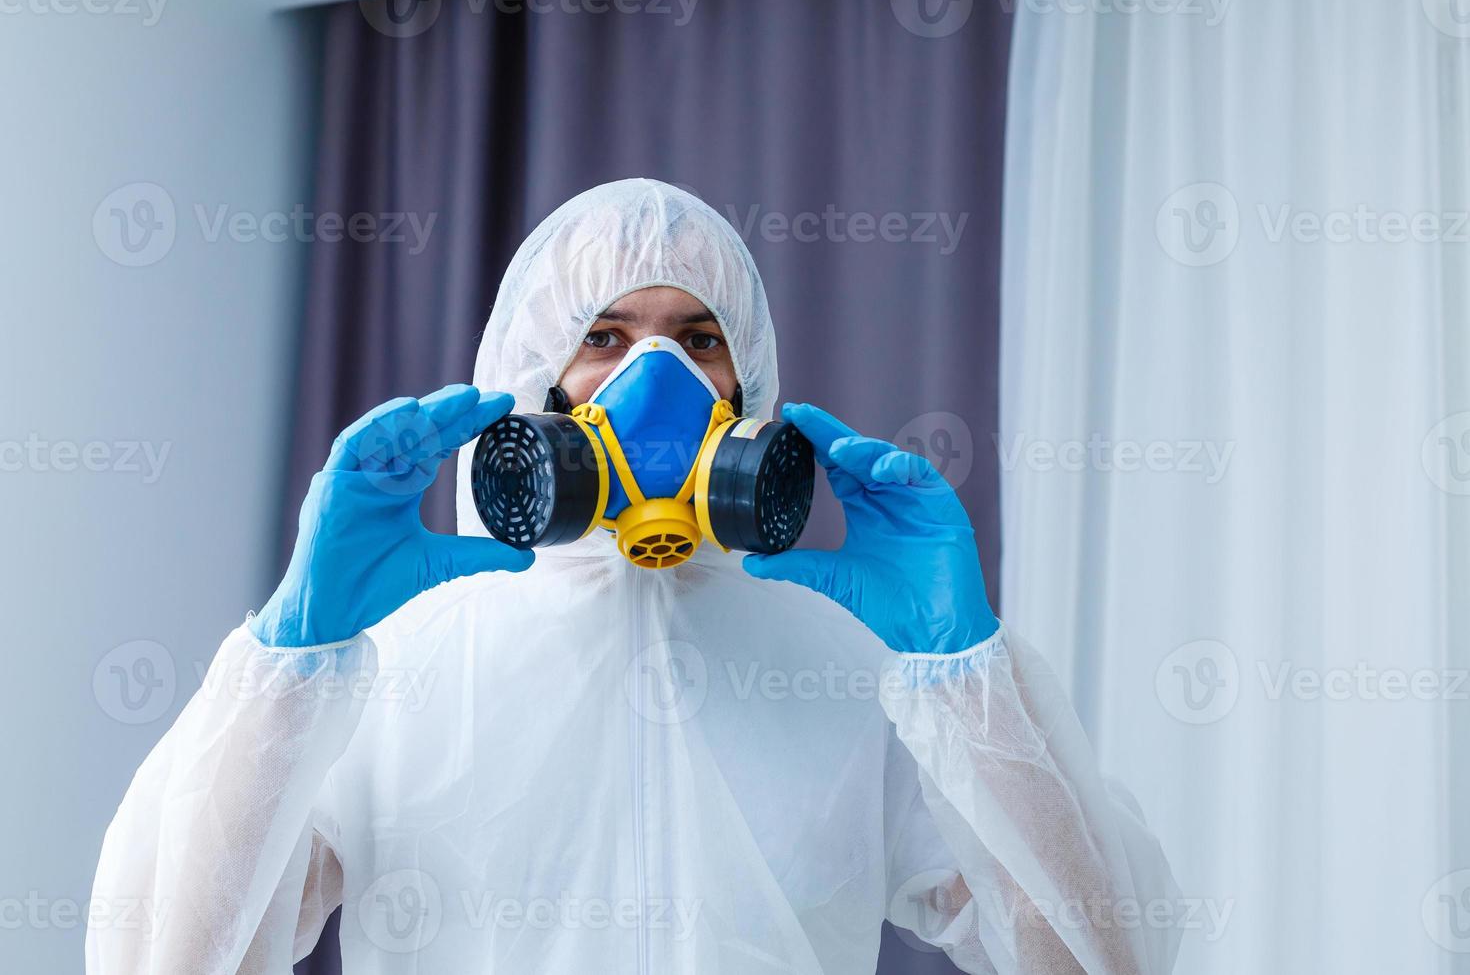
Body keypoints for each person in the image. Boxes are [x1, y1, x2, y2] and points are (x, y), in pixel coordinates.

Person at [87, 179, 1181, 974]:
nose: (652, 377)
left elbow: (1103, 960)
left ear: (749, 388)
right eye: (603, 335)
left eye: (698, 339)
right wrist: (290, 657)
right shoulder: (401, 662)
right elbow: (165, 956)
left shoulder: (846, 667)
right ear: (531, 378)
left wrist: (966, 673)